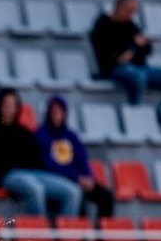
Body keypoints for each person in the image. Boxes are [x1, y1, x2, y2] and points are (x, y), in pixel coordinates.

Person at [0, 88, 81, 222]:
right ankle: (39, 236)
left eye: (13, 105)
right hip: (8, 175)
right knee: (35, 189)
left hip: (33, 173)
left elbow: (35, 158)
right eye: (7, 105)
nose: (10, 110)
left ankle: (65, 237)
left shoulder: (25, 132)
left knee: (73, 192)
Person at [91, 0, 161, 108]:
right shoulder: (103, 25)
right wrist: (133, 48)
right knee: (137, 76)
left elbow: (147, 48)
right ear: (119, 7)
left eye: (133, 11)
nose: (131, 15)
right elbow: (109, 54)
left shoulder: (130, 25)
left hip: (139, 67)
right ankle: (134, 110)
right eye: (129, 10)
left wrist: (133, 49)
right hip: (115, 69)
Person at [34, 95, 114, 226]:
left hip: (78, 178)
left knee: (106, 197)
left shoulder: (71, 136)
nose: (57, 116)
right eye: (54, 112)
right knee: (78, 195)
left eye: (60, 112)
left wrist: (88, 177)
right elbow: (49, 165)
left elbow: (82, 159)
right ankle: (77, 239)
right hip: (58, 179)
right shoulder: (41, 135)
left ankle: (103, 239)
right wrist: (77, 178)